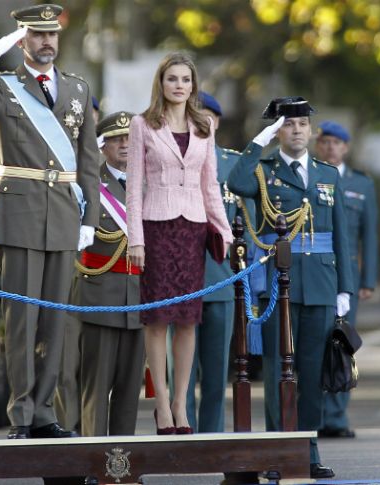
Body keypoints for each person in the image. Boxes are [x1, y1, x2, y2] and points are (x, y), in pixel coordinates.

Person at [0, 3, 100, 439]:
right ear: (22, 39)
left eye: (51, 34)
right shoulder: (2, 86)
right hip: (19, 215)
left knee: (55, 319)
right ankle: (20, 414)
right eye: (36, 35)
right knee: (22, 319)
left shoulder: (77, 88)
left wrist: (88, 218)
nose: (46, 41)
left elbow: (88, 161)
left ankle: (44, 413)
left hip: (64, 215)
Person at [227, 97, 353, 479]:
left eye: (302, 124)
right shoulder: (263, 170)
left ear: (310, 131)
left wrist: (344, 288)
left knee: (312, 375)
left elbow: (341, 234)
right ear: (277, 131)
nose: (296, 130)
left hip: (320, 284)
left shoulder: (328, 174)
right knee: (279, 373)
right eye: (287, 124)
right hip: (277, 286)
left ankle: (307, 453)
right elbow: (235, 182)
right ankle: (276, 452)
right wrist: (258, 142)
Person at [126, 52, 233, 435]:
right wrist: (135, 239)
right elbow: (134, 187)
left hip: (192, 229)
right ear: (161, 83)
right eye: (172, 78)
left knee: (188, 320)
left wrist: (224, 231)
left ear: (193, 86)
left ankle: (180, 404)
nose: (179, 85)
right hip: (156, 228)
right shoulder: (142, 124)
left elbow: (210, 185)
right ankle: (161, 406)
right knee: (157, 320)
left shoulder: (204, 126)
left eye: (186, 80)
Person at [166, 91, 253, 432]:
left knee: (217, 372)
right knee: (181, 373)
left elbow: (249, 226)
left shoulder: (233, 165)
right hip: (179, 279)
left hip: (220, 278)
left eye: (206, 119)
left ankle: (212, 436)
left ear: (216, 123)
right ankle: (180, 434)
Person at [71, 111, 145, 436]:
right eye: (117, 139)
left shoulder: (150, 183)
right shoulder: (88, 184)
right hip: (100, 295)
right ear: (102, 145)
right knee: (96, 387)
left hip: (141, 298)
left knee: (130, 390)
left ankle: (122, 457)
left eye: (131, 138)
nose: (125, 144)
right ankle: (93, 454)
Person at [314, 121, 378, 439]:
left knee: (342, 343)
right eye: (325, 142)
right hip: (314, 271)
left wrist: (368, 279)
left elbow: (369, 233)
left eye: (336, 143)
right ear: (318, 145)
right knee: (312, 343)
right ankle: (313, 414)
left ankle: (336, 417)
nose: (330, 148)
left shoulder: (361, 184)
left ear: (346, 147)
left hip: (346, 276)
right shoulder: (309, 176)